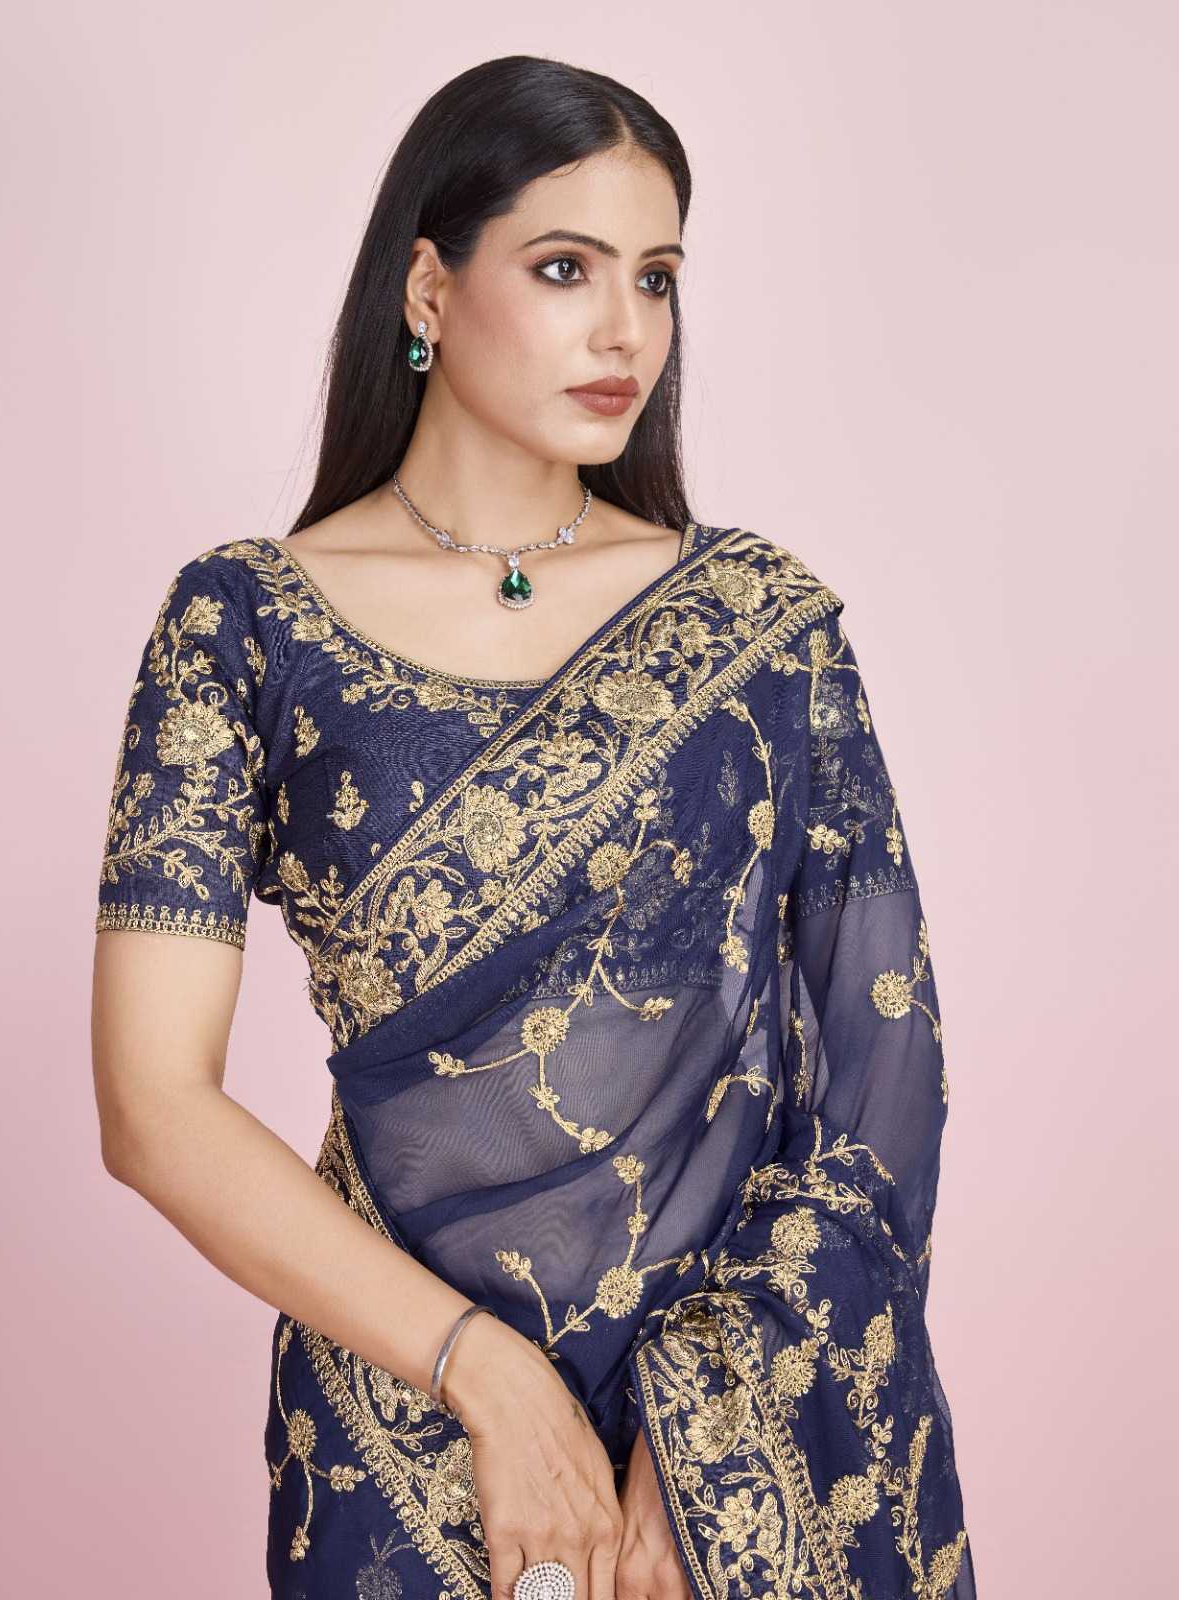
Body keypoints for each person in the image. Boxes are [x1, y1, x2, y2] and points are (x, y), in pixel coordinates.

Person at [91, 54, 976, 1600]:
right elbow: (152, 1105)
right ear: (428, 288)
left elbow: (884, 1067)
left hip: (749, 1443)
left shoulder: (760, 629)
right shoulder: (245, 625)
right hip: (401, 1428)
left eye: (657, 277)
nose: (624, 328)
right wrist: (485, 1376)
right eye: (567, 268)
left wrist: (708, 1448)